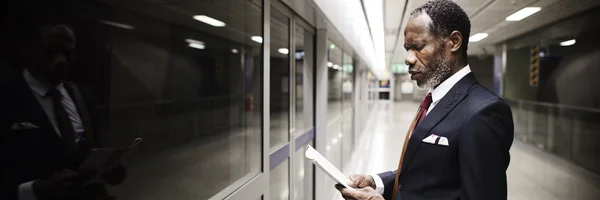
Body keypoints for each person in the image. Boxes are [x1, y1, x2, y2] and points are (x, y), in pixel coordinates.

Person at [336, 0, 514, 199]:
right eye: (407, 49)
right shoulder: (432, 101)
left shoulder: (483, 112)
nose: (408, 59)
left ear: (454, 42)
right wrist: (376, 183)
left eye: (419, 47)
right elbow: (425, 177)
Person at [0, 19, 126, 200]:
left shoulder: (83, 96)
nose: (61, 61)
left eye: (68, 53)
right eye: (50, 52)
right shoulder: (6, 98)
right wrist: (35, 190)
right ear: (27, 49)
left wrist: (110, 171)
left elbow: (94, 151)